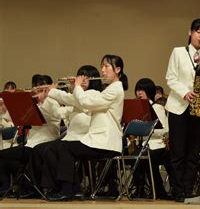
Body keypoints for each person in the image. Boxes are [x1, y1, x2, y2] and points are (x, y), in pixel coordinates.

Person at [45, 54, 128, 201]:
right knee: (65, 147)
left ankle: (67, 190)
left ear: (118, 69)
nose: (103, 70)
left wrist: (77, 87)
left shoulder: (115, 90)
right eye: (102, 66)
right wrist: (73, 87)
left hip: (105, 141)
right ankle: (74, 190)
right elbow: (81, 100)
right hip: (99, 139)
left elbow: (86, 103)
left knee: (65, 148)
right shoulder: (109, 89)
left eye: (107, 66)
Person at [165, 18, 200, 202]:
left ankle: (188, 190)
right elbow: (170, 78)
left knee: (193, 153)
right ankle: (177, 190)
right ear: (190, 32)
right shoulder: (178, 52)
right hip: (179, 106)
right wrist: (184, 93)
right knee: (177, 151)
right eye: (198, 32)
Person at [32, 65, 103, 196]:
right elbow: (59, 113)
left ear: (94, 80)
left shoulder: (94, 94)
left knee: (54, 149)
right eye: (80, 76)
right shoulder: (78, 97)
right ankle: (63, 186)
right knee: (40, 149)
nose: (82, 79)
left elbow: (71, 99)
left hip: (84, 137)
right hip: (71, 137)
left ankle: (66, 188)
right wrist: (47, 98)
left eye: (86, 77)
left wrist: (54, 91)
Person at [133, 78, 174, 199]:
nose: (139, 93)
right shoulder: (135, 108)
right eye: (138, 90)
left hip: (158, 145)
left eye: (142, 90)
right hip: (142, 145)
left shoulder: (157, 108)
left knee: (144, 156)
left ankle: (158, 190)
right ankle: (140, 189)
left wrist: (146, 129)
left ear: (149, 91)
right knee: (138, 154)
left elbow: (165, 130)